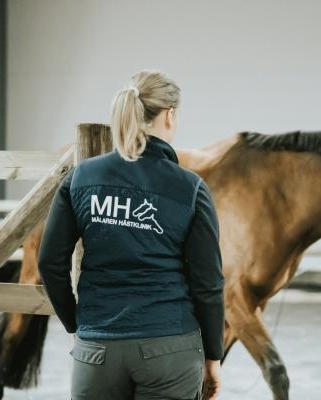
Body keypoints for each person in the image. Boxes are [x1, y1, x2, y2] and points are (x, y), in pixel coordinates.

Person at [38, 70, 224, 400]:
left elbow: (50, 263)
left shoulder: (82, 177)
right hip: (170, 347)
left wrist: (78, 325)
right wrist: (213, 355)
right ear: (170, 115)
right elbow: (207, 283)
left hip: (97, 349)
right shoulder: (191, 188)